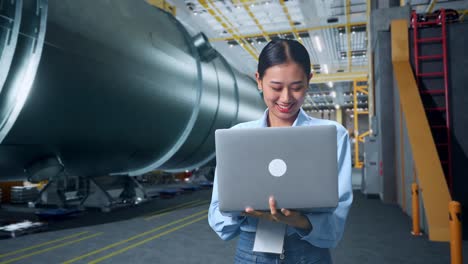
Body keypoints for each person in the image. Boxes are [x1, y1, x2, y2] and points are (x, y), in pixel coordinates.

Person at [208, 39, 353, 264]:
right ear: (259, 80)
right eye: (276, 87)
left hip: (309, 252)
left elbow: (336, 223)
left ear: (309, 81)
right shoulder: (237, 138)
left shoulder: (333, 135)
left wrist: (299, 221)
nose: (286, 98)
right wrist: (240, 210)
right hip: (251, 253)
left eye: (297, 87)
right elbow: (218, 216)